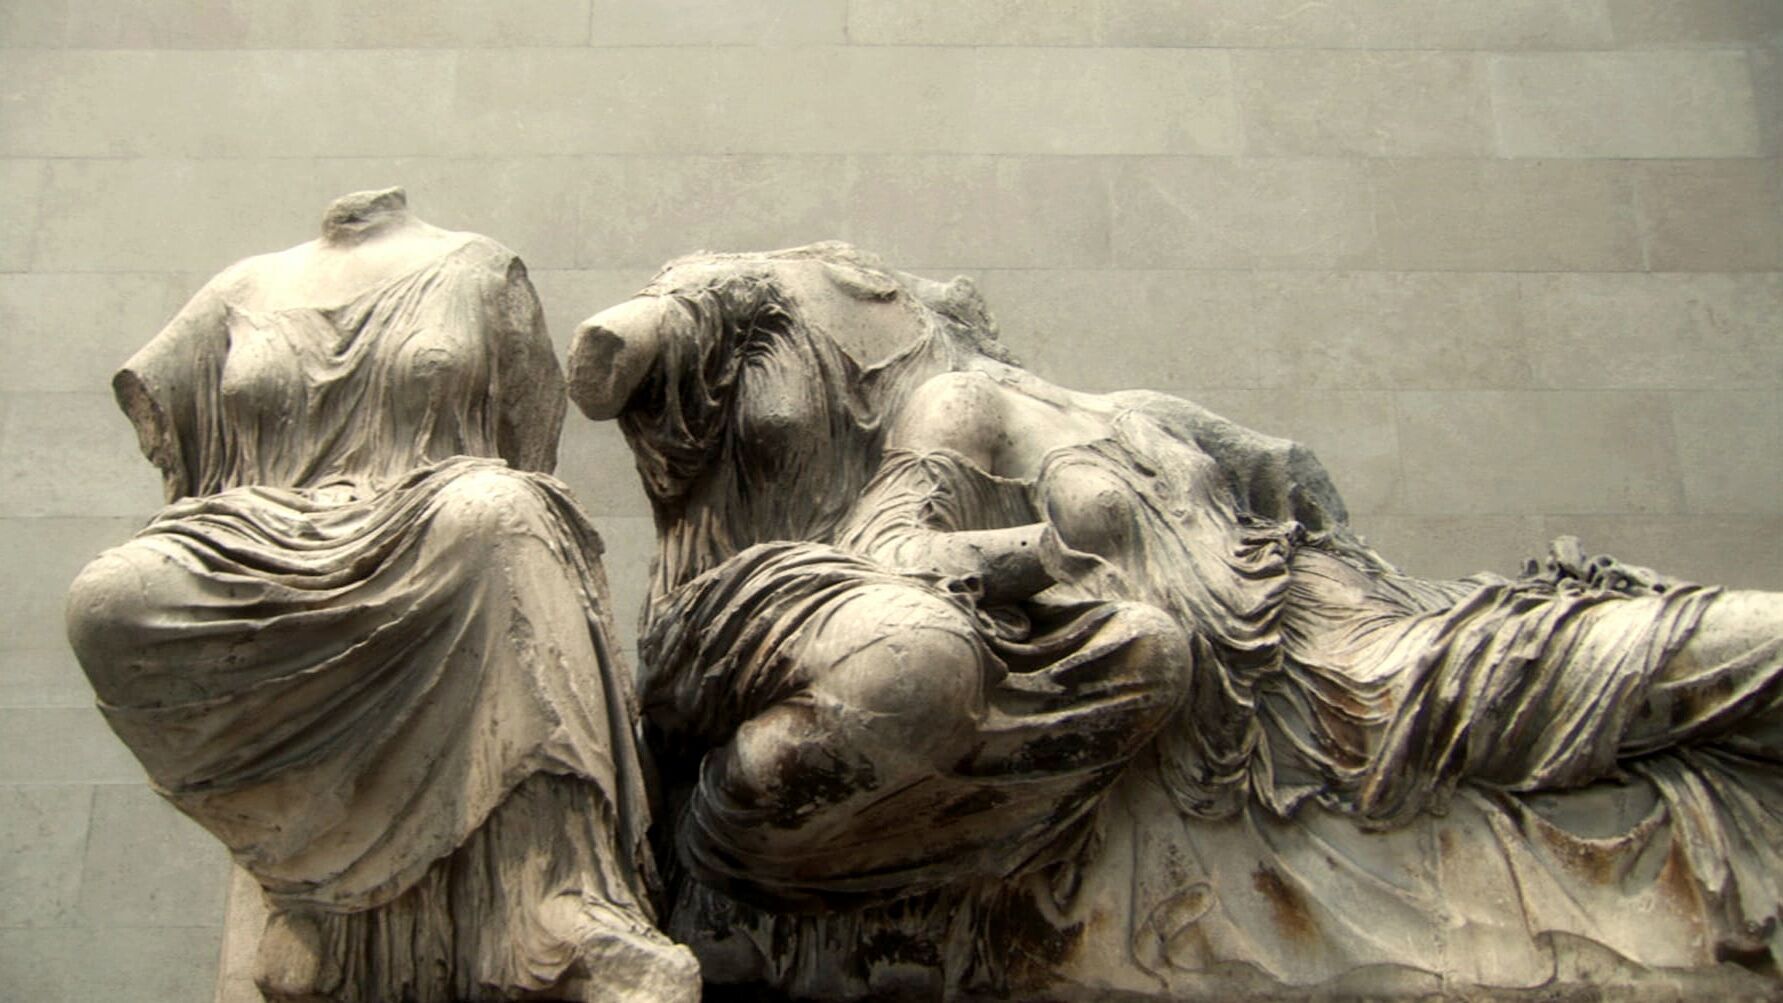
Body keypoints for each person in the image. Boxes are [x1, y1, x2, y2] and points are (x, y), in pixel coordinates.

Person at [570, 242, 1783, 998]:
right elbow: (897, 555)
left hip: (1342, 655)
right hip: (1329, 688)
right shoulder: (989, 410)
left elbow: (1290, 480)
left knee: (1668, 659)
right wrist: (1043, 554)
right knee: (1673, 662)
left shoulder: (1043, 405)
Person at [65, 189, 699, 1003]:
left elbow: (529, 439)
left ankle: (553, 902)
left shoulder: (480, 269)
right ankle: (305, 875)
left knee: (503, 512)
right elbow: (166, 424)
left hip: (430, 515)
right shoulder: (239, 288)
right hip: (259, 531)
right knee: (109, 597)